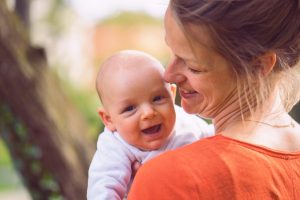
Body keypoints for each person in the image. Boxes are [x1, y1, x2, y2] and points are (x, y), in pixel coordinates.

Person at [128, 0, 300, 199]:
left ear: (258, 66)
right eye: (172, 52)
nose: (169, 75)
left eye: (193, 67)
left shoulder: (172, 179)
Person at [87, 50, 213, 200]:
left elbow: (217, 141)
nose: (148, 113)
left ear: (172, 96)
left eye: (158, 98)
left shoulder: (187, 121)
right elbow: (104, 187)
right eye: (130, 108)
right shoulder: (115, 145)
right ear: (109, 119)